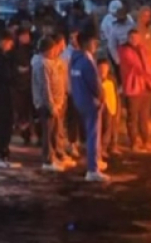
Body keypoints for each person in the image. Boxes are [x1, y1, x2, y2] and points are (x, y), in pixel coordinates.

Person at [70, 31, 109, 182]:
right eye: (93, 42)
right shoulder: (87, 61)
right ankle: (92, 169)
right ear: (86, 44)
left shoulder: (74, 59)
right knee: (93, 135)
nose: (95, 45)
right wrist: (100, 98)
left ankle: (95, 162)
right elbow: (95, 84)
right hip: (91, 103)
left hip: (79, 100)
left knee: (91, 134)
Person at [32, 37, 68, 171]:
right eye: (53, 50)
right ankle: (47, 161)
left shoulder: (51, 63)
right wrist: (51, 105)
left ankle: (53, 158)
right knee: (47, 133)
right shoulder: (41, 64)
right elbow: (45, 87)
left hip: (56, 104)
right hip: (46, 105)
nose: (55, 53)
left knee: (54, 132)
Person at [119, 29, 151, 152]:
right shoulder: (125, 50)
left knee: (144, 117)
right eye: (131, 38)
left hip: (146, 88)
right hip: (133, 88)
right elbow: (136, 68)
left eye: (136, 37)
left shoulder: (142, 49)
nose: (134, 40)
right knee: (133, 117)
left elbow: (148, 65)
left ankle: (146, 141)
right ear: (128, 38)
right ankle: (134, 143)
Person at [0, 30, 20, 168]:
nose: (11, 46)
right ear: (4, 41)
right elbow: (6, 76)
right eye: (10, 43)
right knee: (4, 124)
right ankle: (1, 154)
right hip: (3, 95)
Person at [61, 28, 86, 157]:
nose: (74, 40)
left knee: (83, 118)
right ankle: (72, 143)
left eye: (76, 38)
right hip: (73, 91)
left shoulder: (84, 52)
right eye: (71, 38)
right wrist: (68, 89)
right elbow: (64, 75)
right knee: (73, 119)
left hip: (84, 91)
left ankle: (82, 142)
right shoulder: (66, 55)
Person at [12, 27, 36, 145]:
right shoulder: (14, 51)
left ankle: (33, 134)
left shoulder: (32, 49)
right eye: (24, 35)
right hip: (20, 85)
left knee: (32, 112)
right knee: (22, 112)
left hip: (31, 84)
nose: (26, 38)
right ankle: (25, 135)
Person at [98, 57, 120, 159]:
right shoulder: (95, 79)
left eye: (105, 67)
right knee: (102, 128)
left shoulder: (111, 79)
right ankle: (101, 149)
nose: (103, 70)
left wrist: (116, 107)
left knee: (111, 127)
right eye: (101, 67)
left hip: (111, 106)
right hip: (100, 107)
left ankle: (110, 146)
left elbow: (115, 93)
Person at [105, 1, 135, 75]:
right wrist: (118, 60)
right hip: (122, 54)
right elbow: (111, 46)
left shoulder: (132, 24)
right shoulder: (114, 28)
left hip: (133, 53)